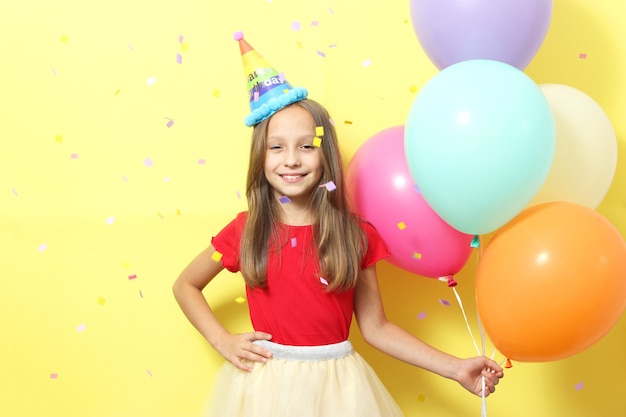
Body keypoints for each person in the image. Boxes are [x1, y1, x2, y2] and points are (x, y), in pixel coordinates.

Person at [173, 97, 503, 417]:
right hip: (267, 387)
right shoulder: (245, 230)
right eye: (277, 147)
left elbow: (377, 328)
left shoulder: (355, 235)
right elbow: (186, 284)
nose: (291, 159)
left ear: (326, 154)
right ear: (260, 156)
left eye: (306, 146)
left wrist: (456, 368)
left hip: (339, 389)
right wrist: (221, 340)